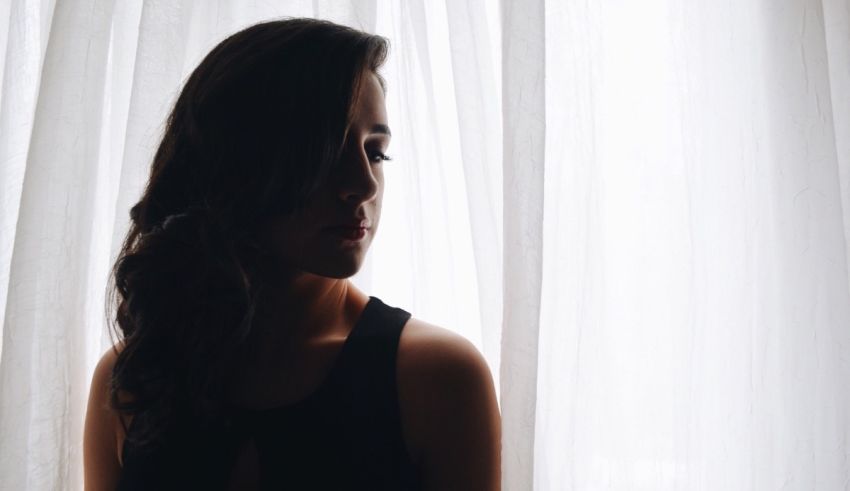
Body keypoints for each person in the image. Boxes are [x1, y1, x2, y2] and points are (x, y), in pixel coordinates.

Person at [82, 17, 501, 491]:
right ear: (238, 161)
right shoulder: (133, 378)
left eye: (376, 152)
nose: (364, 185)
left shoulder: (437, 378)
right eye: (325, 149)